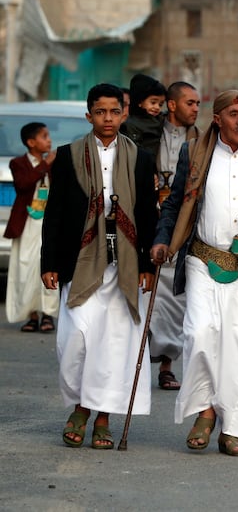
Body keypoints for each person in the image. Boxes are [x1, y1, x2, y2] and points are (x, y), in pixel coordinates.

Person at [150, 89, 238, 457]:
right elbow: (175, 204)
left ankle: (232, 427)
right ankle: (205, 410)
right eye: (234, 113)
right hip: (202, 259)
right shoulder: (194, 152)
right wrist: (162, 240)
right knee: (200, 334)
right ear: (217, 118)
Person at [41, 83, 158, 449]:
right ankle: (80, 404)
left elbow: (145, 215)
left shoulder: (140, 158)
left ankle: (99, 416)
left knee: (114, 345)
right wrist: (50, 262)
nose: (108, 118)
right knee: (74, 339)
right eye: (100, 112)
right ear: (88, 114)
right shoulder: (68, 155)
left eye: (114, 111)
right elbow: (54, 213)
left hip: (123, 265)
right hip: (80, 261)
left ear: (123, 114)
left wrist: (147, 266)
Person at [149, 81, 202, 391]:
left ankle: (167, 366)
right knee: (148, 292)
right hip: (151, 220)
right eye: (190, 103)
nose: (196, 109)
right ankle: (141, 357)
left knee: (177, 295)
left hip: (181, 224)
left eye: (197, 103)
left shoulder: (200, 140)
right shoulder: (149, 134)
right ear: (172, 105)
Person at [4, 122, 60, 332]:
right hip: (27, 224)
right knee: (25, 268)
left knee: (47, 266)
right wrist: (46, 165)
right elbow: (24, 184)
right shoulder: (18, 163)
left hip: (48, 224)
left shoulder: (55, 164)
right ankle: (31, 314)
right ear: (31, 142)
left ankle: (48, 314)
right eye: (45, 136)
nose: (49, 140)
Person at [120, 74, 167, 158]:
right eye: (153, 102)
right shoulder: (130, 125)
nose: (157, 107)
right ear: (140, 102)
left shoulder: (161, 119)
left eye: (160, 104)